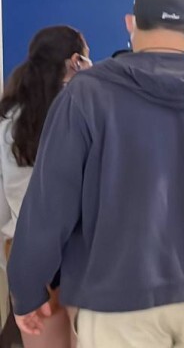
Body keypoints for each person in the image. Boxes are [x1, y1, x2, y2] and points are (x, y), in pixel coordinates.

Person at [9, 0, 184, 348]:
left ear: (131, 23)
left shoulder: (88, 93)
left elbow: (50, 205)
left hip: (116, 292)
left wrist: (26, 287)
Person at [0, 26, 91, 348]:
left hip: (27, 254)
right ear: (76, 60)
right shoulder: (85, 112)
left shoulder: (9, 120)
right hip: (83, 252)